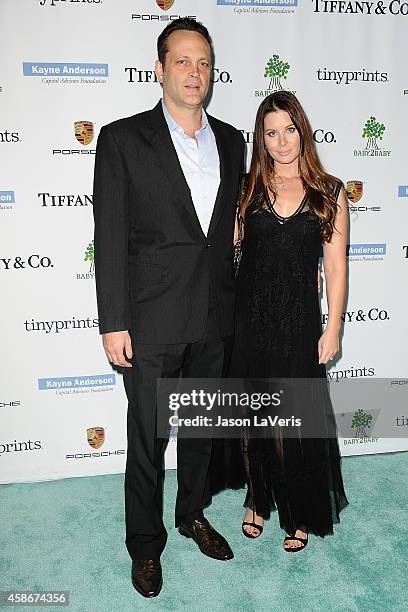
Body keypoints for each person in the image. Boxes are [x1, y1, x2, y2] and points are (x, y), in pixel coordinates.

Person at [92, 18, 245, 597]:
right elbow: (109, 237)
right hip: (151, 321)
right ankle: (144, 545)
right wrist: (114, 321)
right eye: (182, 61)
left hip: (213, 316)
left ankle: (192, 515)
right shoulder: (122, 139)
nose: (194, 72)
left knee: (201, 434)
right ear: (159, 70)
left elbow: (224, 228)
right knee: (148, 442)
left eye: (203, 62)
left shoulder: (232, 140)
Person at [231, 91, 349, 551]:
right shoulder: (247, 188)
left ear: (303, 129)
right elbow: (226, 251)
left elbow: (335, 267)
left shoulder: (329, 191)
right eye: (271, 132)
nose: (282, 142)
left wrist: (333, 326)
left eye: (289, 129)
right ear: (261, 139)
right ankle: (258, 497)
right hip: (249, 321)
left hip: (299, 322)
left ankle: (298, 506)